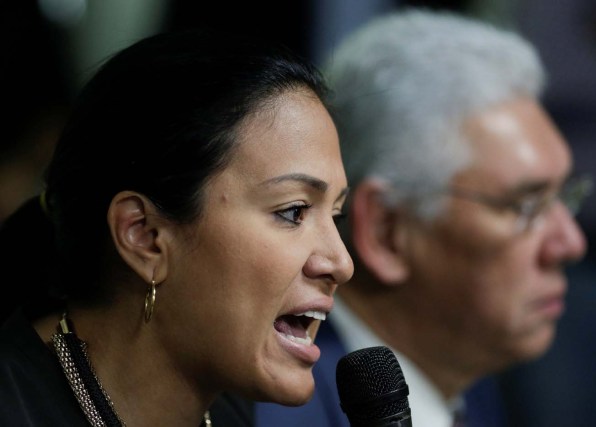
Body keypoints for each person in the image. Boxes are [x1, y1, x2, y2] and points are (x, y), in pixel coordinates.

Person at [256, 7, 591, 427]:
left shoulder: (470, 383)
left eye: (565, 196)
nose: (571, 243)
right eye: (525, 206)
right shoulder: (285, 413)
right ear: (387, 231)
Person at [0, 28, 353, 426]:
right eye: (294, 211)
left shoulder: (231, 413)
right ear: (145, 236)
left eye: (336, 216)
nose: (341, 263)